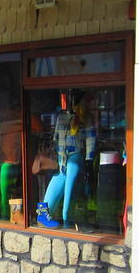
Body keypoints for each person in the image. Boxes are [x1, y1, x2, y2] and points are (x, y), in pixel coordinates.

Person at [36, 92, 96, 228]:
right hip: (62, 156)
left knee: (70, 187)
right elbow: (56, 137)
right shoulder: (62, 117)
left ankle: (67, 219)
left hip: (75, 155)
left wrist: (89, 158)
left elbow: (90, 139)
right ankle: (45, 215)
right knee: (60, 182)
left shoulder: (85, 117)